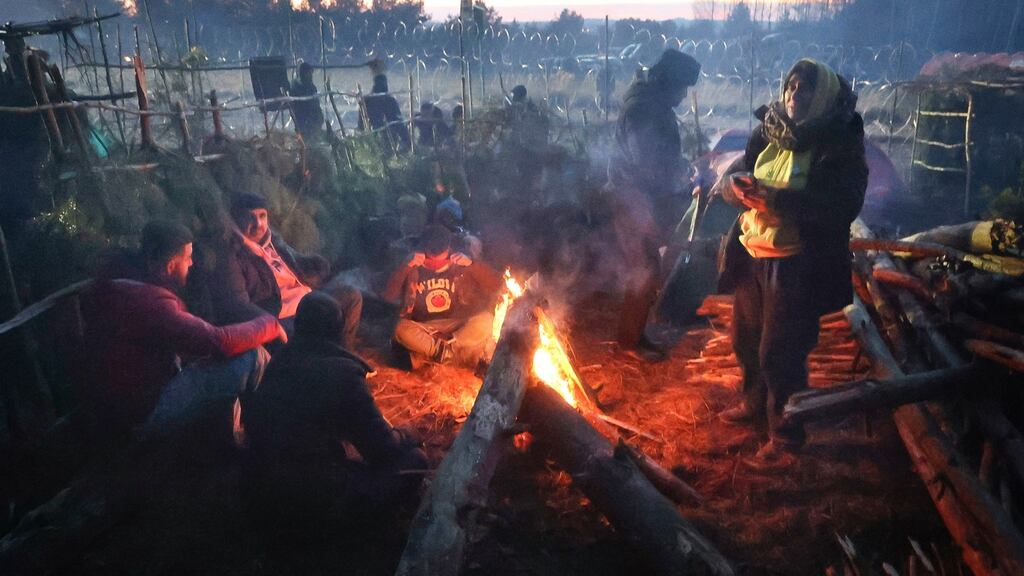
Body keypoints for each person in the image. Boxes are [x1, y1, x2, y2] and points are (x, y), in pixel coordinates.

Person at [716, 59, 867, 467]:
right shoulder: (770, 129)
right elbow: (734, 175)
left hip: (799, 261)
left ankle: (786, 436)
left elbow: (843, 204)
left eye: (804, 90)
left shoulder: (839, 141)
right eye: (790, 87)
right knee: (745, 339)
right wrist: (736, 187)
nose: (793, 96)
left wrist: (777, 200)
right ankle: (753, 404)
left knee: (780, 352)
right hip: (753, 252)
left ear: (822, 98)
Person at [78, 220, 284, 445]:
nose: (192, 264)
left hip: (120, 403)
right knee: (252, 357)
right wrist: (269, 324)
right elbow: (217, 341)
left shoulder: (121, 283)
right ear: (169, 267)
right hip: (143, 412)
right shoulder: (149, 303)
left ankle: (236, 433)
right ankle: (267, 435)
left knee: (224, 361)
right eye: (187, 258)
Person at [244, 291, 427, 523]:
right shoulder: (344, 374)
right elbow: (382, 450)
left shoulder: (279, 360)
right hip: (309, 502)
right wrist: (406, 433)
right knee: (416, 461)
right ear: (338, 330)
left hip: (260, 487)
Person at [606, 48, 701, 361]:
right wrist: (681, 173)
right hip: (632, 198)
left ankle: (632, 337)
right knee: (644, 269)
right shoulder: (643, 109)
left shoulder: (651, 102)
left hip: (640, 196)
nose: (684, 96)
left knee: (646, 267)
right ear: (668, 82)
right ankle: (628, 343)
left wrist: (681, 167)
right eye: (682, 89)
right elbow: (648, 162)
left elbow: (661, 157)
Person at [211, 193, 363, 351]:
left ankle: (343, 354)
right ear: (236, 218)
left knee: (351, 295)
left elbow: (294, 259)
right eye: (250, 217)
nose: (258, 224)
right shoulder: (231, 253)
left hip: (308, 298)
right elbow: (237, 304)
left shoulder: (272, 240)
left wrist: (310, 262)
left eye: (262, 216)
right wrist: (271, 324)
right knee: (317, 324)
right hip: (284, 316)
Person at [381, 224, 501, 371]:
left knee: (487, 320)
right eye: (431, 259)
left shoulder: (460, 262)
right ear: (423, 249)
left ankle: (439, 354)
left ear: (449, 249)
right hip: (424, 328)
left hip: (454, 327)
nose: (436, 264)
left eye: (441, 258)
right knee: (399, 329)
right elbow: (387, 296)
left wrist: (472, 264)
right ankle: (450, 354)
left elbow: (496, 284)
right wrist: (405, 267)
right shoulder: (412, 263)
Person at [359, 61, 410, 151]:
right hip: (384, 139)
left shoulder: (367, 100)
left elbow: (361, 125)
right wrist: (407, 141)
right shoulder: (388, 100)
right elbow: (397, 123)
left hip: (373, 139)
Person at [289, 61, 327, 140]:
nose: (311, 76)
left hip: (312, 115)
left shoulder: (310, 85)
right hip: (304, 116)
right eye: (309, 73)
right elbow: (304, 103)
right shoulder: (297, 85)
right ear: (304, 73)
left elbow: (316, 103)